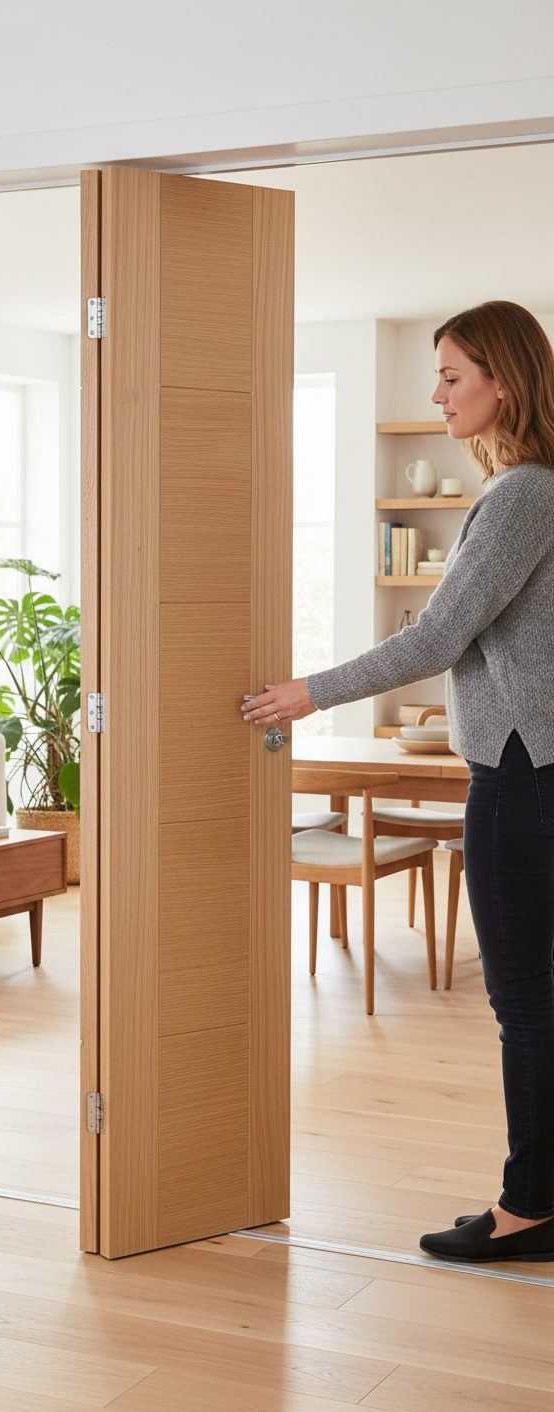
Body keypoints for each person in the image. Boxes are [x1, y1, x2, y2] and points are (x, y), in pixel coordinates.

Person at [242, 301, 554, 1264]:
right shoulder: (532, 491)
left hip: (518, 777)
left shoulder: (521, 495)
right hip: (531, 770)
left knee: (525, 1004)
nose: (437, 393)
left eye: (453, 376)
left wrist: (308, 693)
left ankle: (529, 1208)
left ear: (504, 380)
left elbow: (435, 638)